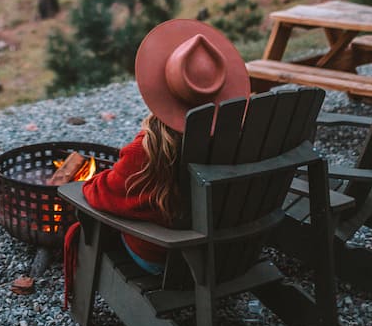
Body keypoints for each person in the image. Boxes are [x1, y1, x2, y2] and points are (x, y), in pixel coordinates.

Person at [64, 18, 251, 296]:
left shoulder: (148, 151)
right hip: (232, 253)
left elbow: (100, 194)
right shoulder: (244, 136)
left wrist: (90, 186)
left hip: (166, 260)